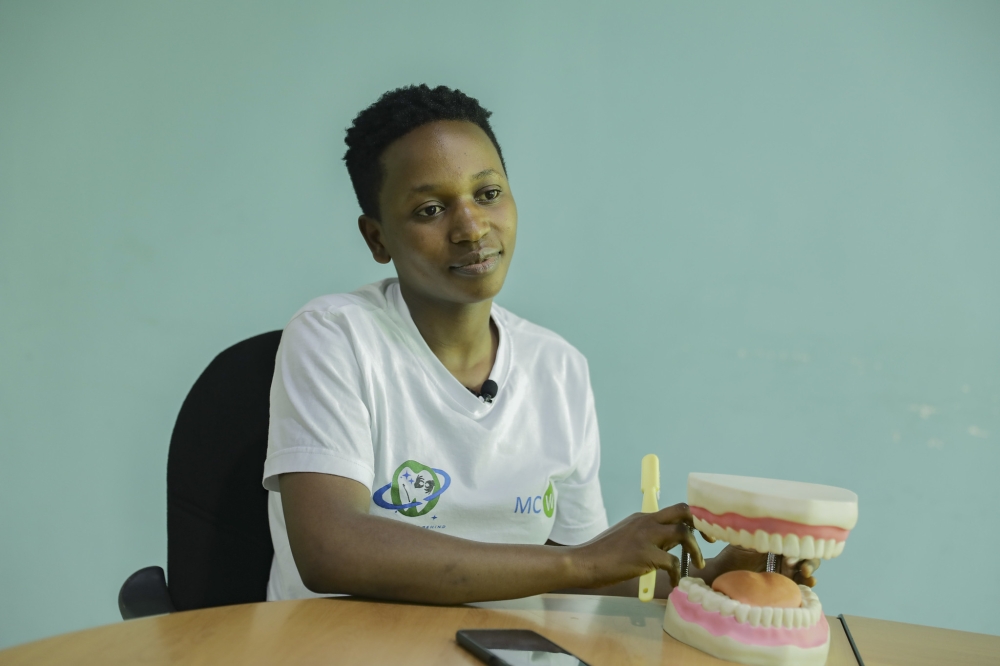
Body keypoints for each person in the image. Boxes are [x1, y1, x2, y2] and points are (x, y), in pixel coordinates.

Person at [262, 84, 817, 603]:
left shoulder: (558, 368)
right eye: (431, 209)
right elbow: (332, 550)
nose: (471, 227)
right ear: (377, 237)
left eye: (488, 193)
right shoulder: (334, 336)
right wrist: (581, 564)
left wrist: (700, 579)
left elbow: (584, 575)